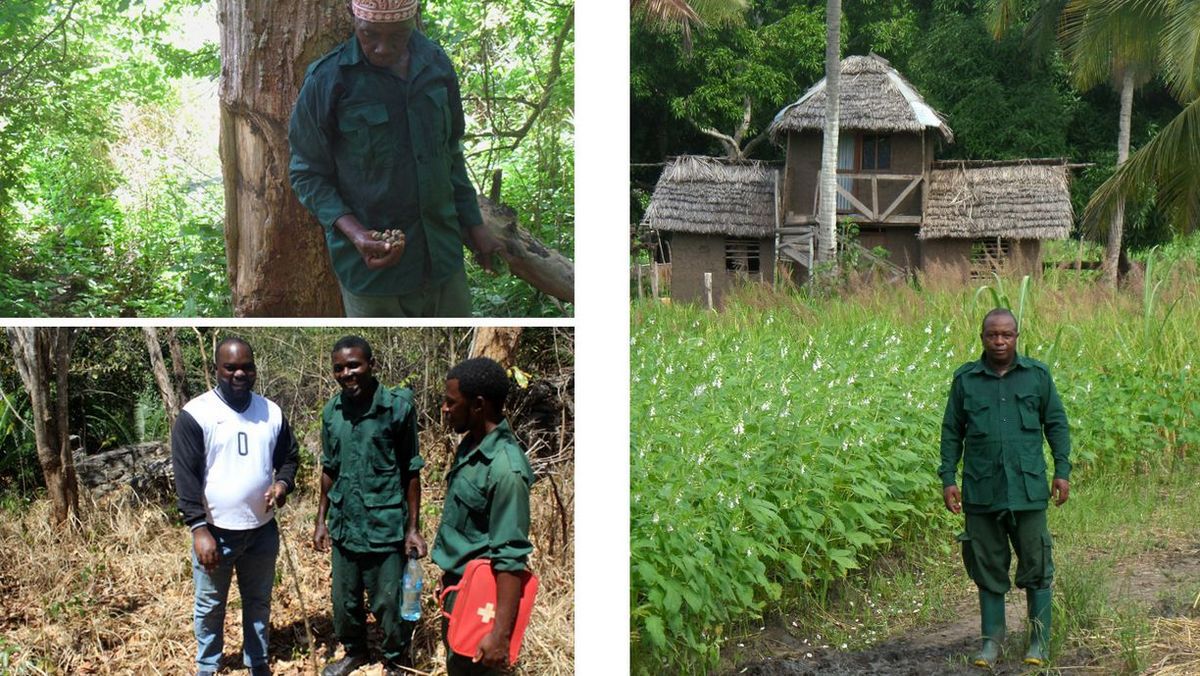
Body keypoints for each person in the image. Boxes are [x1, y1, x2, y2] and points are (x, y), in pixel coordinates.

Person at [288, 0, 500, 318]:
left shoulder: (437, 65)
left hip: (442, 257)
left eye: (398, 37)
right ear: (353, 18)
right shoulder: (328, 80)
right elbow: (307, 172)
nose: (383, 48)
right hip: (372, 275)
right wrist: (357, 233)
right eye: (369, 34)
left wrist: (474, 224)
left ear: (414, 20)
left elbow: (450, 152)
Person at [939, 308, 1071, 669]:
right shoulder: (966, 380)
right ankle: (991, 642)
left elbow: (1056, 424)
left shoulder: (1037, 377)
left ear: (1017, 336)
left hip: (1028, 492)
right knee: (987, 565)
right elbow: (952, 431)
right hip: (982, 491)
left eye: (1006, 335)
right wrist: (948, 478)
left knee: (1037, 564)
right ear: (982, 337)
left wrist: (1062, 471)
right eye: (992, 335)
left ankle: (1039, 641)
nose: (999, 341)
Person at [171, 337, 300, 676]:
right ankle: (208, 665)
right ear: (217, 370)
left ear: (255, 369)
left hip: (261, 530)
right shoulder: (196, 414)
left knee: (258, 601)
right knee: (210, 605)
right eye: (231, 367)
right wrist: (198, 528)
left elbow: (289, 458)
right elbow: (185, 477)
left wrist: (282, 485)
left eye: (246, 366)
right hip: (216, 533)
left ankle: (256, 660)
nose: (239, 373)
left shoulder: (271, 412)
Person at [313, 336, 426, 676]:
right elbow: (329, 468)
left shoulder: (396, 408)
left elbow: (411, 470)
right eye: (339, 368)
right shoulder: (332, 412)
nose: (347, 373)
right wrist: (321, 520)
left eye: (354, 365)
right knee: (344, 602)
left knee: (388, 601)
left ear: (371, 364)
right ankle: (355, 652)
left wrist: (413, 528)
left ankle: (395, 659)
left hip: (384, 524)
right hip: (347, 525)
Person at [433, 357, 535, 674]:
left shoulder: (506, 469)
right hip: (459, 590)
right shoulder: (470, 445)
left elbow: (510, 556)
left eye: (451, 402)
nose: (445, 409)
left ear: (478, 405)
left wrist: (499, 636)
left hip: (481, 604)